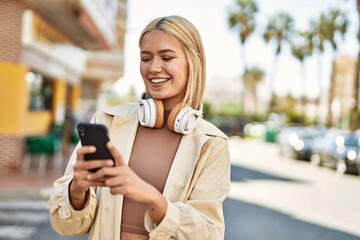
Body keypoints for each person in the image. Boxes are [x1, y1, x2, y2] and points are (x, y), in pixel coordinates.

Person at [48, 15, 231, 240]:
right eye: (146, 58)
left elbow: (208, 233)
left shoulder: (212, 143)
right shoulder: (107, 121)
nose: (154, 68)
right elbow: (65, 227)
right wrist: (77, 190)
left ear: (193, 61)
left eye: (167, 57)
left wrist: (153, 199)